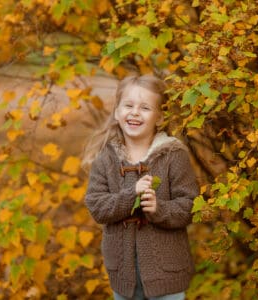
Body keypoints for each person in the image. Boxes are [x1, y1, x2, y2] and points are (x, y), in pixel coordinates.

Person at [82, 74, 198, 300]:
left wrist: (159, 209)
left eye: (145, 107)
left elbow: (190, 205)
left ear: (160, 117)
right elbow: (96, 206)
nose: (135, 112)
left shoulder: (174, 156)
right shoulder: (106, 159)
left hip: (167, 274)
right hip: (123, 274)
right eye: (128, 105)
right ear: (117, 112)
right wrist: (130, 195)